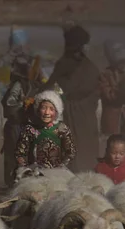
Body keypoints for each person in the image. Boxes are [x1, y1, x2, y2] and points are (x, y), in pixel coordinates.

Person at [44, 24, 100, 172]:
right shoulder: (67, 63)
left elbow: (58, 87)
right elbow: (55, 85)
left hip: (80, 114)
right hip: (69, 114)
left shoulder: (85, 67)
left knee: (81, 149)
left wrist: (60, 94)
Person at [1, 53, 41, 187]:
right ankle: (13, 182)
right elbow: (9, 102)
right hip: (16, 125)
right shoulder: (18, 85)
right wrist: (24, 103)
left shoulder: (33, 84)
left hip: (28, 125)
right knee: (14, 154)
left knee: (30, 154)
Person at [15, 90, 76, 171]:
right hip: (34, 173)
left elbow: (71, 152)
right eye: (43, 108)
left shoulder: (62, 129)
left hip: (57, 173)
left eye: (51, 109)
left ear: (57, 112)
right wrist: (25, 169)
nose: (47, 112)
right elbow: (20, 153)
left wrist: (62, 166)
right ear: (38, 109)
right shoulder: (30, 130)